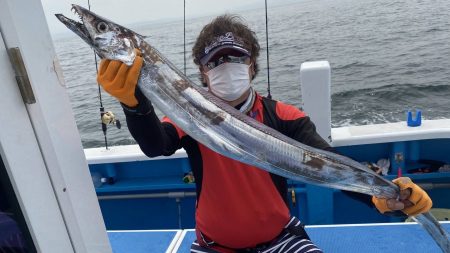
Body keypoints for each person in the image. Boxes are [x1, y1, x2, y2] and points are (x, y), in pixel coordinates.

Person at [97, 14, 432, 253]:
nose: (226, 67)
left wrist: (383, 197)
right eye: (215, 62)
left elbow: (327, 163)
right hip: (214, 246)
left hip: (281, 240)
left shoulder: (283, 116)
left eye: (236, 58)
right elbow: (157, 145)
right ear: (202, 72)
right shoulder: (191, 117)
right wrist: (135, 104)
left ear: (252, 65)